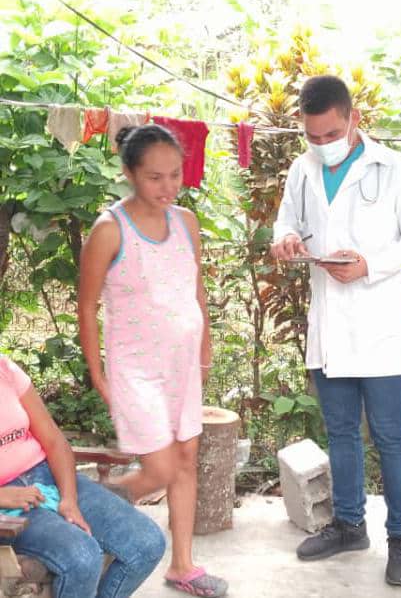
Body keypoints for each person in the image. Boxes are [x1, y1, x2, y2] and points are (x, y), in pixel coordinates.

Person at [269, 75, 401, 586]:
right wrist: (287, 240)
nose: (322, 145)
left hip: (378, 324)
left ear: (354, 119)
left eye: (331, 134)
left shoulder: (394, 169)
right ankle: (348, 525)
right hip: (329, 324)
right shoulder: (302, 169)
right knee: (340, 432)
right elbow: (286, 223)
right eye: (312, 136)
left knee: (390, 436)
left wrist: (370, 265)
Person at [77, 124, 227, 597]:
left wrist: (205, 346)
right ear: (129, 173)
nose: (168, 187)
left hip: (182, 366)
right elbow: (86, 305)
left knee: (186, 461)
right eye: (154, 177)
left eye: (175, 175)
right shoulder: (109, 230)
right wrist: (98, 373)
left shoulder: (186, 222)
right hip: (136, 371)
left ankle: (182, 565)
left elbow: (195, 287)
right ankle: (97, 501)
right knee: (160, 469)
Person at [0, 353, 165, 598]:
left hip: (47, 476)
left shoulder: (5, 370)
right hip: (8, 508)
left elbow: (55, 441)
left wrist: (69, 499)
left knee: (147, 543)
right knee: (82, 557)